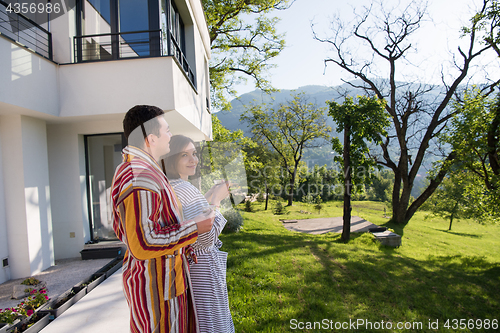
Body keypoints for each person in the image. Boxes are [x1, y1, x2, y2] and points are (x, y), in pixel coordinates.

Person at [111, 105, 215, 333]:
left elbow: (157, 225)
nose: (170, 135)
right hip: (157, 287)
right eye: (167, 130)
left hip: (163, 281)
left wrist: (184, 248)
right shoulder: (140, 177)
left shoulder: (142, 170)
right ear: (150, 139)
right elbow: (143, 242)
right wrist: (195, 228)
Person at [163, 135, 235, 333]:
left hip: (192, 268)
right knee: (213, 322)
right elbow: (205, 237)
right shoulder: (185, 188)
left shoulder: (173, 187)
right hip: (203, 269)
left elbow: (194, 219)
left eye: (194, 153)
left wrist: (208, 196)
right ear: (171, 159)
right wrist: (217, 200)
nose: (193, 160)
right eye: (184, 155)